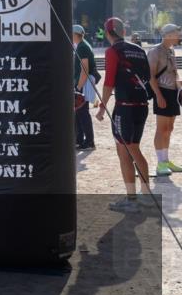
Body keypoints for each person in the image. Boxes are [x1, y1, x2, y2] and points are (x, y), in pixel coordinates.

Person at [96, 17, 154, 213]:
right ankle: (145, 196)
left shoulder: (113, 51)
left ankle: (132, 199)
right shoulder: (138, 49)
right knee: (134, 148)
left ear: (107, 33)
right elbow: (148, 77)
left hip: (124, 107)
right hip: (141, 105)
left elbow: (109, 81)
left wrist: (102, 107)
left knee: (125, 152)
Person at [148, 23, 181, 176]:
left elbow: (174, 73)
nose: (179, 35)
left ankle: (166, 160)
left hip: (173, 92)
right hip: (162, 92)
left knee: (169, 128)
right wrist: (159, 96)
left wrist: (179, 86)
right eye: (176, 33)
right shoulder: (155, 51)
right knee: (161, 129)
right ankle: (160, 163)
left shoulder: (171, 51)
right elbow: (151, 76)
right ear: (167, 35)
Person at [72, 24, 97, 150]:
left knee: (82, 113)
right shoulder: (82, 45)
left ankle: (89, 141)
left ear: (75, 34)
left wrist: (78, 87)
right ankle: (79, 139)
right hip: (83, 82)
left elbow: (85, 69)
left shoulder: (82, 47)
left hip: (83, 82)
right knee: (79, 113)